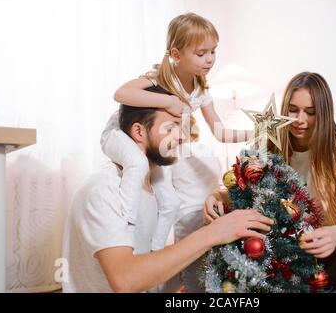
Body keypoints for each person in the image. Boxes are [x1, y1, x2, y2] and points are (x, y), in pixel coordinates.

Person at [62, 86, 273, 292]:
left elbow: (150, 265)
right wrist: (212, 234)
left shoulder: (156, 185)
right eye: (171, 127)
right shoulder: (104, 190)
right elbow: (125, 280)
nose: (182, 137)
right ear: (139, 132)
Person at [101, 13, 253, 252]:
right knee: (138, 165)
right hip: (121, 135)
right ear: (176, 55)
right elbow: (121, 94)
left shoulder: (201, 91)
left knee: (170, 202)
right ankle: (125, 231)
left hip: (155, 147)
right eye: (201, 53)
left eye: (213, 51)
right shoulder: (160, 78)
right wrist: (170, 102)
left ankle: (156, 252)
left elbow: (220, 132)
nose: (210, 59)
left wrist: (254, 133)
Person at [204, 72, 336, 259]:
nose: (300, 119)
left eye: (311, 112)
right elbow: (239, 186)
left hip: (312, 239)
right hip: (276, 235)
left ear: (324, 113)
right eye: (293, 109)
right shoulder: (270, 146)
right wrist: (214, 196)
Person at [154, 115, 222, 293]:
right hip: (214, 212)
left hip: (187, 216)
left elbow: (165, 193)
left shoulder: (172, 155)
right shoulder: (208, 151)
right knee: (213, 269)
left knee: (191, 271)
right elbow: (218, 181)